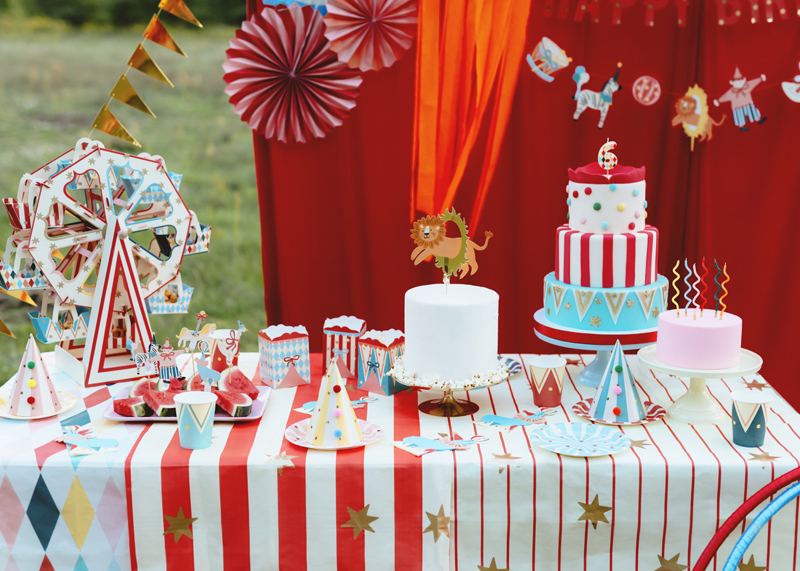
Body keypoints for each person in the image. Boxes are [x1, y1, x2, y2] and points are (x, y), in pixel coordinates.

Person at [714, 67, 767, 131]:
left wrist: (760, 79)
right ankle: (741, 127)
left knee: (752, 111)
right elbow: (725, 96)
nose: (739, 84)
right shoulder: (731, 91)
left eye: (740, 82)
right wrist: (719, 101)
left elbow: (754, 82)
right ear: (733, 83)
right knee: (740, 116)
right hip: (737, 106)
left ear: (743, 80)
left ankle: (758, 120)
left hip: (748, 103)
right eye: (737, 82)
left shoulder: (747, 86)